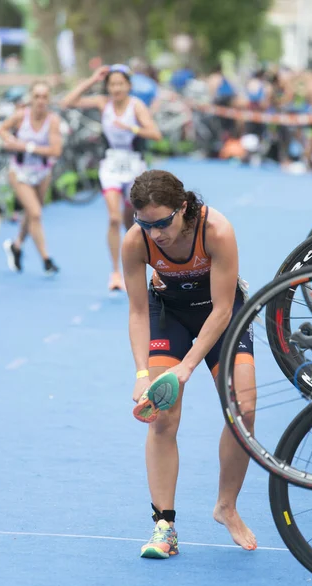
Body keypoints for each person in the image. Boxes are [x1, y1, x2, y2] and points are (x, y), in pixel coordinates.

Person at [121, 169, 257, 559]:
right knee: (163, 415)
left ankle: (226, 506)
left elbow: (223, 309)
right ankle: (164, 526)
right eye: (145, 224)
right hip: (170, 316)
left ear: (184, 207)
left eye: (163, 222)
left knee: (243, 409)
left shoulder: (216, 230)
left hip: (221, 313)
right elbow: (136, 312)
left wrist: (188, 367)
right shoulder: (137, 242)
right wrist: (142, 373)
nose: (156, 233)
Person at [60, 64, 162, 291]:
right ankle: (116, 273)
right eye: (112, 84)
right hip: (111, 166)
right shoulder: (102, 103)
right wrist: (92, 80)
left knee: (135, 221)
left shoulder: (136, 107)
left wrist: (131, 128)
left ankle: (150, 266)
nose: (116, 88)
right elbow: (67, 102)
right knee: (114, 218)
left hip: (134, 165)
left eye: (121, 84)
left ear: (128, 86)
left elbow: (155, 133)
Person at [0, 80, 62, 274]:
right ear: (30, 98)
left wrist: (25, 146)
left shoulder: (53, 121)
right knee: (35, 213)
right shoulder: (20, 116)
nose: (40, 101)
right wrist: (9, 139)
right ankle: (46, 260)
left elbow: (55, 150)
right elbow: (1, 129)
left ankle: (16, 246)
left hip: (42, 173)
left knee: (30, 214)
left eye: (44, 97)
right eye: (37, 96)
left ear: (49, 99)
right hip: (19, 172)